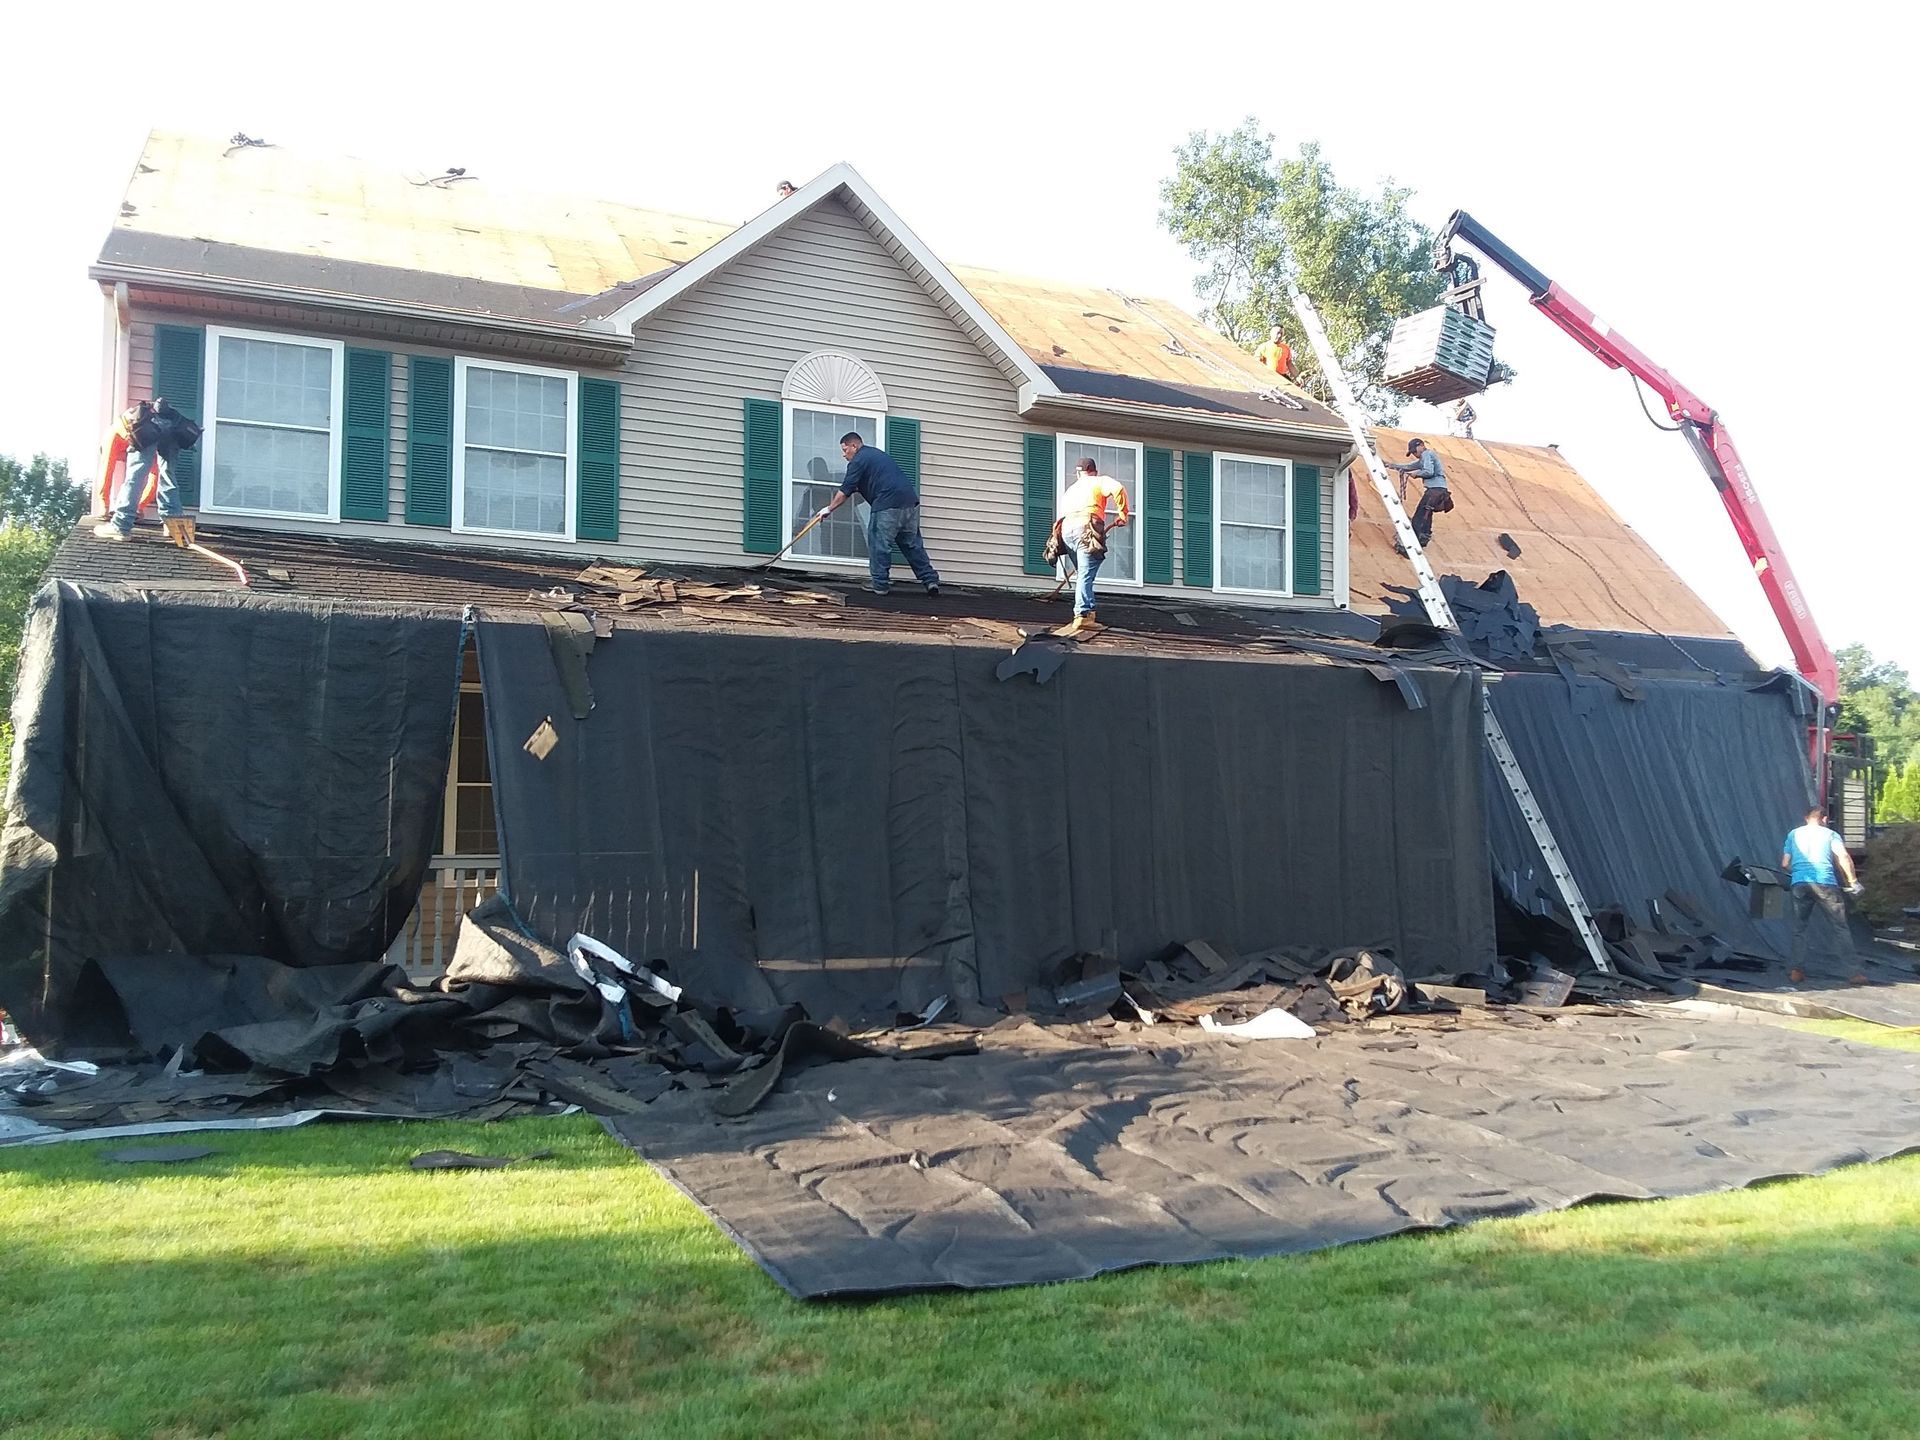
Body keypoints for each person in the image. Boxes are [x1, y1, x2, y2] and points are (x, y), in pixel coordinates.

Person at [814, 433, 940, 596]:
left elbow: (845, 490)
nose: (844, 455)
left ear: (854, 446)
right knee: (912, 545)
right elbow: (865, 485)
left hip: (887, 505)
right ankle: (930, 581)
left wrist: (828, 509)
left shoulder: (858, 460)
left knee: (879, 543)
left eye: (845, 450)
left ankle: (880, 585)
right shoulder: (876, 455)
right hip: (909, 503)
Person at [95, 397, 198, 543]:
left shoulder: (111, 437)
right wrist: (140, 507)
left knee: (135, 477)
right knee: (168, 475)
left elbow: (107, 471)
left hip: (148, 428)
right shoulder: (134, 421)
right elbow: (156, 476)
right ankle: (172, 525)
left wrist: (104, 506)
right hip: (173, 428)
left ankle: (121, 526)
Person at [1055, 456, 1130, 634]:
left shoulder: (1071, 489)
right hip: (1086, 526)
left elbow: (1061, 516)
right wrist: (1123, 514)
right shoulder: (1099, 481)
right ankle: (1082, 614)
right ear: (1093, 470)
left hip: (1066, 530)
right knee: (1086, 573)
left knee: (1083, 572)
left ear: (1080, 472)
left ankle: (1088, 611)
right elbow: (1118, 489)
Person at [1782, 805, 1860, 966]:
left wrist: (1798, 873)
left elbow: (1785, 863)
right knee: (1840, 927)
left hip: (1800, 883)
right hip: (1825, 882)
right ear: (1824, 819)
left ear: (1806, 818)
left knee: (1799, 928)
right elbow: (1843, 857)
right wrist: (1853, 881)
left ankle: (1796, 970)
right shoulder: (1831, 834)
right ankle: (1854, 972)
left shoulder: (1793, 834)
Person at [1385, 438, 1451, 547]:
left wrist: (1417, 473)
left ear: (1421, 445)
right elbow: (1408, 466)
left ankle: (1416, 542)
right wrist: (1390, 465)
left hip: (1435, 490)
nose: (1415, 454)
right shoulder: (1423, 459)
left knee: (1419, 517)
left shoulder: (1427, 454)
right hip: (1438, 490)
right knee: (1425, 514)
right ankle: (1423, 538)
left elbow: (1429, 471)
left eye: (1414, 451)